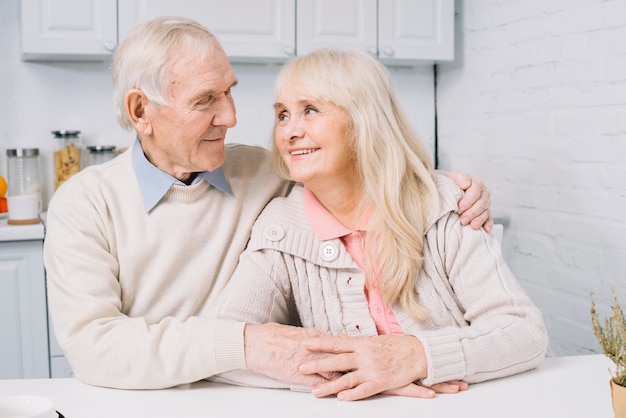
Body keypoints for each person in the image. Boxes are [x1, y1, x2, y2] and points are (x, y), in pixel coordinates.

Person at [43, 16, 493, 390]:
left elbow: (360, 177)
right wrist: (244, 344)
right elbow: (94, 346)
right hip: (137, 400)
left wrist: (445, 189)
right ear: (141, 112)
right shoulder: (84, 205)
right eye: (206, 101)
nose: (231, 116)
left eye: (229, 91)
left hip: (251, 396)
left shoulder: (267, 173)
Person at [212, 47, 550, 401]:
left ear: (364, 119)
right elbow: (226, 347)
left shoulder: (445, 204)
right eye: (282, 114)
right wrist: (360, 371)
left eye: (310, 110)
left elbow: (524, 332)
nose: (289, 131)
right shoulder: (281, 226)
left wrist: (417, 357)